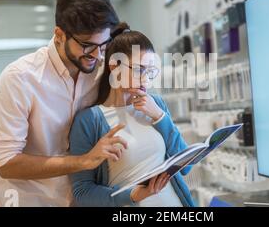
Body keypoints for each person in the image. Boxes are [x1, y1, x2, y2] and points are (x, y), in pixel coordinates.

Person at [0, 0, 128, 207]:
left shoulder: (100, 70)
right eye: (87, 45)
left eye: (104, 44)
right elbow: (6, 163)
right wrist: (83, 161)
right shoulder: (19, 78)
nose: (98, 55)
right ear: (60, 35)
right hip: (29, 200)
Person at [69, 23, 195, 207]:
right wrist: (133, 195)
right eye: (138, 69)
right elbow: (83, 192)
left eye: (150, 71)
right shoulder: (89, 120)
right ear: (114, 66)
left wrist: (160, 117)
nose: (145, 79)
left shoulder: (156, 104)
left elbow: (186, 166)